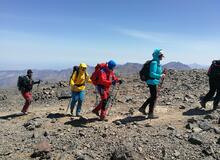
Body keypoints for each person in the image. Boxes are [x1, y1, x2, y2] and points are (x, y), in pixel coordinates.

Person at [138, 49, 165, 119]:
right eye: (161, 56)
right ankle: (150, 113)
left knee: (153, 96)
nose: (162, 57)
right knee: (154, 97)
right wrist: (160, 76)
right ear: (158, 56)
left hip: (153, 81)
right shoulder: (154, 63)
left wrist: (161, 73)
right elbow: (152, 74)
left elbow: (156, 72)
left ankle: (143, 108)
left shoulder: (156, 62)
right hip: (152, 81)